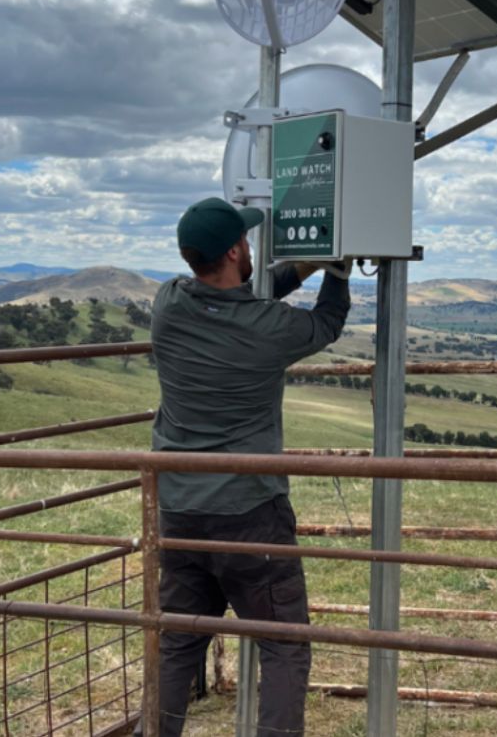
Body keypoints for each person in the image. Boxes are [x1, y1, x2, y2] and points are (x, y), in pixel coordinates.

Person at [143, 196, 350, 737]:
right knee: (283, 644)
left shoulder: (167, 305)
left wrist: (304, 268)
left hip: (180, 511)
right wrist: (339, 268)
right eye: (248, 242)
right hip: (250, 511)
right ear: (236, 249)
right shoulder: (269, 330)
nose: (254, 248)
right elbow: (327, 322)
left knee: (179, 639)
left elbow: (243, 296)